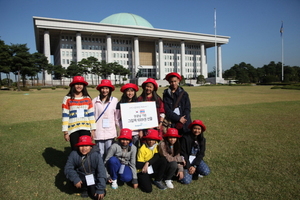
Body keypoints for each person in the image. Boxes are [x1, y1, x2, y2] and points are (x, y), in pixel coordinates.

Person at [64, 135, 106, 200]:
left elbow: (101, 171)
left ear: (91, 147)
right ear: (78, 146)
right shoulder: (74, 154)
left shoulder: (96, 155)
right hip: (81, 176)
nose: (84, 148)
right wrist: (75, 179)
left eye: (86, 146)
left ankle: (91, 188)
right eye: (81, 146)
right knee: (72, 181)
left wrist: (101, 188)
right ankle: (84, 189)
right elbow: (68, 168)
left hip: (93, 177)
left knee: (96, 197)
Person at [62, 76, 96, 150]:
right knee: (75, 150)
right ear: (73, 85)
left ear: (83, 86)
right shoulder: (67, 98)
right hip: (73, 129)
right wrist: (65, 132)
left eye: (81, 84)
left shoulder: (87, 98)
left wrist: (93, 130)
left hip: (86, 128)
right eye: (77, 84)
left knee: (86, 149)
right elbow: (65, 116)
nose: (79, 86)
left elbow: (91, 115)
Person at [92, 79, 119, 159]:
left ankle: (108, 169)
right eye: (103, 88)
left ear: (110, 90)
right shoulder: (94, 101)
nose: (105, 90)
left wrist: (120, 128)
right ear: (100, 89)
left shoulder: (114, 100)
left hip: (110, 130)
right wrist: (92, 130)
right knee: (100, 152)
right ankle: (100, 169)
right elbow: (92, 117)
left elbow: (117, 116)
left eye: (107, 88)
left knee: (109, 152)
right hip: (98, 130)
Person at [180, 120, 210, 184]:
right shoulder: (185, 138)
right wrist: (188, 166)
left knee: (206, 172)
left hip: (195, 160)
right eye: (195, 128)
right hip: (186, 160)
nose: (196, 130)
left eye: (199, 129)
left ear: (201, 130)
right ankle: (184, 171)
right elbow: (183, 152)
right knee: (186, 181)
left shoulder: (202, 140)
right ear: (191, 129)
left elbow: (201, 154)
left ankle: (195, 170)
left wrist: (194, 166)